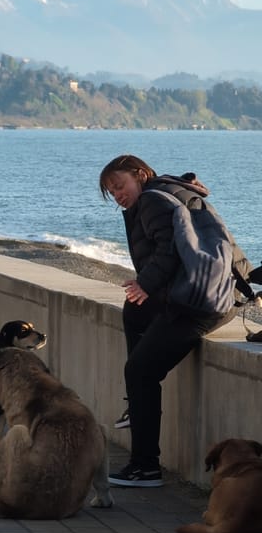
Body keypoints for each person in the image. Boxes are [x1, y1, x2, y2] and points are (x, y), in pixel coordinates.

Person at [99, 154, 251, 488]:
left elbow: (167, 250)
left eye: (119, 185)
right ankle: (135, 405)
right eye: (112, 192)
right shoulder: (173, 190)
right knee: (135, 311)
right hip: (213, 294)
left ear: (139, 174)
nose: (118, 195)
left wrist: (145, 284)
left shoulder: (153, 200)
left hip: (199, 305)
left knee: (140, 371)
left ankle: (145, 467)